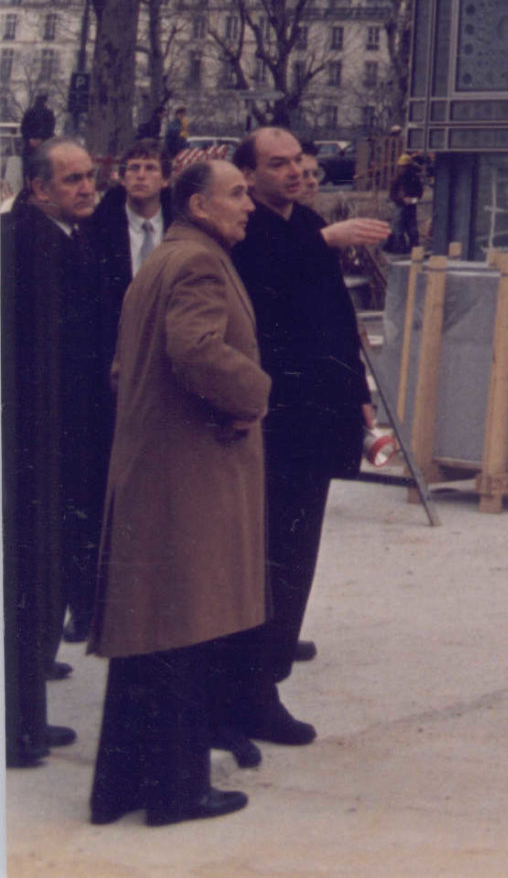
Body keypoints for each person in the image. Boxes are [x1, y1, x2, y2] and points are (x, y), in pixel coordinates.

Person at [87, 155, 269, 826]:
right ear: (198, 205)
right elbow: (195, 350)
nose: (247, 204)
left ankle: (123, 788)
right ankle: (174, 790)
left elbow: (121, 365)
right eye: (236, 193)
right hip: (188, 473)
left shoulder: (163, 259)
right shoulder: (197, 263)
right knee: (187, 631)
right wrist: (253, 394)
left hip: (153, 467)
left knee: (148, 636)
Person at [225, 127, 387, 738]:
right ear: (249, 174)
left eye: (298, 161)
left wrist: (359, 395)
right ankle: (254, 691)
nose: (294, 172)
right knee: (269, 557)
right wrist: (326, 240)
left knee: (295, 554)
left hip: (320, 415)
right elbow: (263, 282)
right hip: (277, 422)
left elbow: (333, 318)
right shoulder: (251, 228)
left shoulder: (301, 221)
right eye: (277, 164)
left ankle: (268, 670)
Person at [3, 139, 100, 766]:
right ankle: (20, 731)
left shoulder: (43, 233)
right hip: (42, 442)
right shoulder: (35, 243)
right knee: (32, 584)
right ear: (39, 189)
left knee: (36, 584)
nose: (87, 188)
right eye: (72, 180)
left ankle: (24, 724)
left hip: (42, 439)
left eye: (90, 176)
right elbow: (39, 355)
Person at [88, 137, 174, 358]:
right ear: (123, 178)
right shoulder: (97, 232)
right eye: (134, 168)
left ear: (165, 180)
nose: (141, 175)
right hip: (117, 347)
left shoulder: (181, 228)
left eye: (151, 168)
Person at [387, 149, 425, 253]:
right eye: (401, 167)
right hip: (400, 206)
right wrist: (402, 200)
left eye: (404, 167)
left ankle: (414, 247)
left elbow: (420, 191)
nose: (402, 169)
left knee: (412, 228)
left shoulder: (414, 178)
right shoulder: (397, 180)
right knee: (398, 228)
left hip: (411, 206)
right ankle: (400, 247)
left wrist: (414, 198)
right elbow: (392, 195)